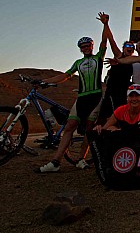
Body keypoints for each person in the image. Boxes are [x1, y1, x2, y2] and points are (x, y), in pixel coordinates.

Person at [36, 12, 108, 173]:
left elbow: (104, 41)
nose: (86, 48)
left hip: (95, 96)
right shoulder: (78, 62)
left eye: (88, 46)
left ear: (92, 46)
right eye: (83, 47)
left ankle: (81, 159)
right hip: (81, 98)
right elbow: (65, 76)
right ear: (80, 49)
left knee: (89, 128)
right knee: (69, 127)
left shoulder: (98, 58)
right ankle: (55, 162)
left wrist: (105, 24)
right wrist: (45, 81)